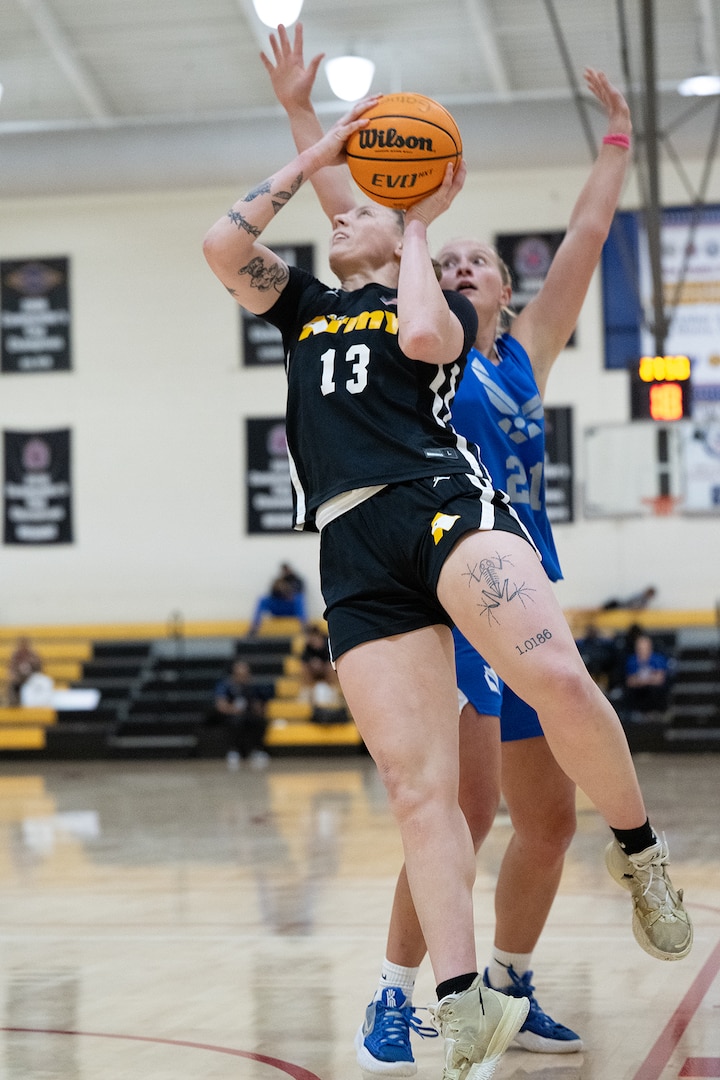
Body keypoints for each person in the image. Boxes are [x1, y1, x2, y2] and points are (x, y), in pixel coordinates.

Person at [203, 55, 691, 1079]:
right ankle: (431, 993)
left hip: (465, 529)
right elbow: (330, 223)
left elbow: (485, 260)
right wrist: (313, 132)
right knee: (441, 800)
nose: (465, 261)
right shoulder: (323, 295)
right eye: (449, 249)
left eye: (482, 259)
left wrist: (597, 153)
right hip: (358, 543)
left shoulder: (482, 336)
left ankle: (627, 867)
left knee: (549, 784)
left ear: (503, 288)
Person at [213, 659, 271, 768]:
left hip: (248, 714)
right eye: (239, 674)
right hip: (231, 715)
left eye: (245, 674)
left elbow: (258, 704)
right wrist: (234, 709)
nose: (242, 677)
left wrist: (258, 708)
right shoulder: (226, 685)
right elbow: (221, 705)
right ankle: (234, 750)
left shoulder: (252, 687)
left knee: (258, 721)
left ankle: (256, 750)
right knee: (236, 721)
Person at [249, 561, 307, 634]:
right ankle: (255, 626)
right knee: (262, 599)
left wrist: (288, 592)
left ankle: (304, 627)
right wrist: (278, 589)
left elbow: (300, 592)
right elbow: (272, 594)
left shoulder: (297, 581)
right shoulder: (279, 581)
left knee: (299, 599)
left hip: (291, 608)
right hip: (279, 607)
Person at [624, 633, 671, 717]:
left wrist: (642, 680)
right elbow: (630, 681)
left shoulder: (658, 659)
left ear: (650, 647)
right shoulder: (632, 661)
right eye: (640, 648)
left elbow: (660, 678)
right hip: (638, 690)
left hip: (652, 690)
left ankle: (656, 713)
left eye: (645, 647)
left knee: (656, 691)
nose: (642, 650)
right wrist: (648, 679)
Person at [6, 636, 42, 706]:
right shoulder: (16, 656)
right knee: (13, 684)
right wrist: (15, 675)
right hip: (19, 678)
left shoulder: (33, 655)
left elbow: (39, 668)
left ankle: (35, 703)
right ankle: (15, 703)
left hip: (32, 678)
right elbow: (11, 668)